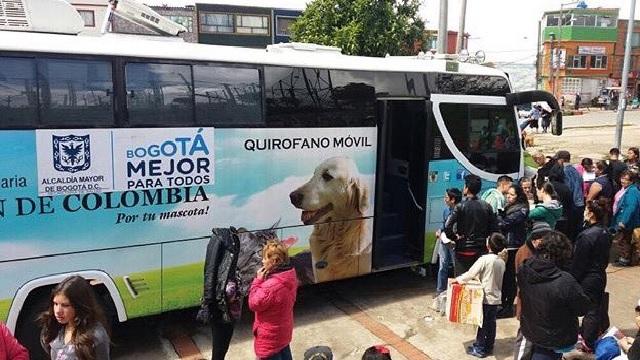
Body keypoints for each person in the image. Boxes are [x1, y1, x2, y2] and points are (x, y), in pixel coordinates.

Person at [516, 231, 591, 360]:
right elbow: (582, 308)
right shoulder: (565, 281)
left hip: (531, 329)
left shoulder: (524, 269)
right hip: (555, 337)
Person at [453, 233, 507, 358]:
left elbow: (471, 273)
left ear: (488, 245)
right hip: (495, 297)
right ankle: (489, 346)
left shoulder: (485, 259)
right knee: (491, 323)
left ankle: (480, 348)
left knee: (482, 323)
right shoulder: (502, 261)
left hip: (485, 297)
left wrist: (458, 280)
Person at [196, 228, 242, 360]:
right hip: (220, 302)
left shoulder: (232, 239)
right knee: (220, 344)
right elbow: (210, 272)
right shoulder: (219, 239)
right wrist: (209, 301)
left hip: (230, 301)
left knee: (223, 342)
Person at [571, 199, 611, 351]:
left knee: (590, 310)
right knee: (594, 308)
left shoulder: (586, 236)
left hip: (587, 278)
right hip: (599, 275)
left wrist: (573, 278)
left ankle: (587, 340)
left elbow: (579, 263)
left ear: (591, 213)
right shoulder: (605, 231)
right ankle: (588, 335)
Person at [39, 276, 110, 360]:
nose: (58, 311)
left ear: (79, 305)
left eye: (65, 305)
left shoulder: (96, 335)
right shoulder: (53, 328)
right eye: (55, 304)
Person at [249, 240, 298, 360]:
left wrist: (257, 281)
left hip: (270, 339)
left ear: (274, 261)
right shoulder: (290, 276)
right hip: (283, 334)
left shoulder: (270, 287)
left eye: (265, 258)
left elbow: (253, 304)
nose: (262, 261)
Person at [444, 174, 499, 276]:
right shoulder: (487, 206)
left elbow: (447, 226)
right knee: (478, 283)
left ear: (467, 188)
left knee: (462, 282)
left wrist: (455, 237)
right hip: (481, 250)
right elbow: (495, 228)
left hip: (462, 249)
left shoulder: (460, 206)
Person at [497, 184, 529, 319]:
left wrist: (498, 217)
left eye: (512, 195)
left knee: (509, 277)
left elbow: (505, 223)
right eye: (507, 194)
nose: (508, 197)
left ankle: (508, 305)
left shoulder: (521, 209)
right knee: (505, 276)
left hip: (513, 245)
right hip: (507, 244)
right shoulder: (510, 207)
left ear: (518, 196)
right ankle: (504, 303)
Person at [436, 188, 463, 295]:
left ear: (453, 199)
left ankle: (457, 292)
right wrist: (439, 230)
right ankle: (440, 291)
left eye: (446, 197)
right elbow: (444, 225)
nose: (444, 199)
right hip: (444, 241)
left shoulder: (461, 211)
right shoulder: (446, 210)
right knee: (442, 266)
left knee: (457, 267)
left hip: (454, 242)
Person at [611, 171, 640, 267]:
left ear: (631, 181)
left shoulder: (632, 191)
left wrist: (623, 221)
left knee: (623, 240)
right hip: (624, 219)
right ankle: (626, 258)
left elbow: (631, 207)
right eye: (622, 178)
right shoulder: (626, 189)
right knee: (625, 240)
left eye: (626, 179)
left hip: (628, 221)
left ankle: (624, 260)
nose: (623, 181)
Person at [556, 150, 585, 240]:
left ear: (561, 160)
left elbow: (567, 190)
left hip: (571, 205)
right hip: (579, 204)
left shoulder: (564, 172)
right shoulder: (576, 171)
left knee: (569, 233)